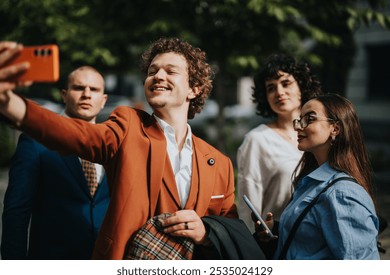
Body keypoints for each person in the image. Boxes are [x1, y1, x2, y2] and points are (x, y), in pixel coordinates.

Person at [0, 38, 238, 260]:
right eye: (152, 71)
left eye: (170, 71)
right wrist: (11, 104)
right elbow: (78, 134)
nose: (157, 76)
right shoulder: (128, 125)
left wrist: (205, 232)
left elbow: (229, 231)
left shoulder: (220, 163)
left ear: (194, 89)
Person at [1, 66, 110, 259]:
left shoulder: (113, 145)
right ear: (64, 95)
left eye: (94, 89)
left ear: (103, 100)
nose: (86, 94)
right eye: (79, 88)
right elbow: (17, 210)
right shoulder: (34, 142)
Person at [256, 93, 380, 260]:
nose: (299, 126)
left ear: (335, 128)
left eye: (309, 119)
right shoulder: (311, 182)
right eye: (299, 119)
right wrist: (277, 230)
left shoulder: (342, 193)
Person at [237, 54, 321, 231]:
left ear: (301, 87)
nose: (279, 92)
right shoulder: (258, 140)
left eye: (286, 83)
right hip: (280, 245)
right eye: (271, 88)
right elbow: (248, 208)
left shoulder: (320, 134)